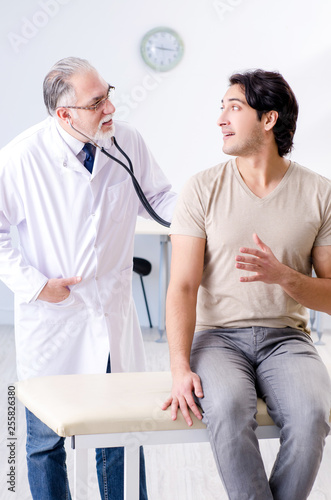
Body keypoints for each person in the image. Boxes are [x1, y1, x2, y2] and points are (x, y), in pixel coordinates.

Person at [0, 57, 177, 500]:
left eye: (109, 94)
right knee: (45, 441)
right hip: (53, 317)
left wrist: (200, 218)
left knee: (119, 430)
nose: (111, 108)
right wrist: (38, 286)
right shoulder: (21, 157)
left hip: (111, 311)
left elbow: (159, 195)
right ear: (64, 115)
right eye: (97, 102)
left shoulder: (126, 140)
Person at [162, 69, 331, 499]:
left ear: (269, 119)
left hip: (286, 339)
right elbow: (182, 286)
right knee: (230, 409)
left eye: (233, 107)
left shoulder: (319, 193)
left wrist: (285, 277)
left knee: (312, 416)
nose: (221, 118)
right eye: (222, 108)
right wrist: (180, 367)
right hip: (218, 339)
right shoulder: (201, 189)